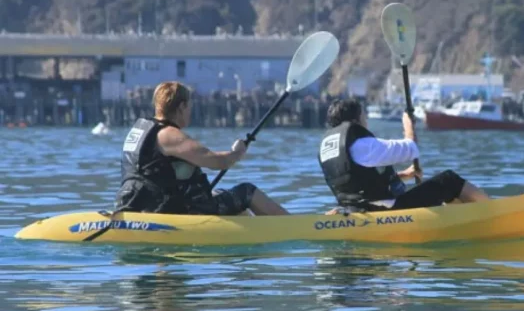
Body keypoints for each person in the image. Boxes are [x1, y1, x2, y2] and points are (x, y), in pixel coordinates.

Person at [114, 81, 289, 216]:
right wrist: (237, 153)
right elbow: (217, 161)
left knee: (217, 193)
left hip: (140, 205)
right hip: (171, 211)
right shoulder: (169, 135)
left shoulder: (140, 131)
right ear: (181, 106)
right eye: (189, 106)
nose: (190, 111)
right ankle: (295, 227)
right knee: (247, 191)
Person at [317, 98, 489, 212]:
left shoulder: (329, 146)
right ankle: (493, 211)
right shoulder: (362, 145)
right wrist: (408, 125)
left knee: (440, 189)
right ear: (355, 120)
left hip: (357, 212)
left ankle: (464, 219)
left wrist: (404, 175)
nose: (366, 121)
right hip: (387, 214)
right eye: (364, 116)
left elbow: (358, 183)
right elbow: (410, 148)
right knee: (449, 180)